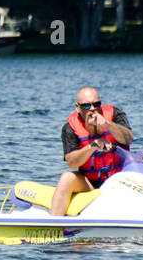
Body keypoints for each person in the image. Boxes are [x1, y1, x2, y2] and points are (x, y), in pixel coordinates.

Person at [50, 87, 134, 216]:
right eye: (86, 106)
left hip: (120, 177)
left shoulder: (115, 114)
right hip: (91, 182)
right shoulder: (69, 128)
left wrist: (107, 123)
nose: (92, 109)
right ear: (77, 107)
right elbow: (72, 162)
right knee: (67, 178)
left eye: (96, 104)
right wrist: (92, 147)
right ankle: (53, 225)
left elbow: (128, 139)